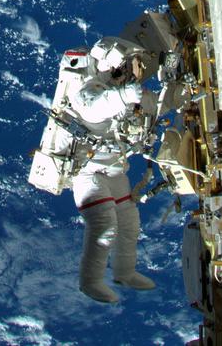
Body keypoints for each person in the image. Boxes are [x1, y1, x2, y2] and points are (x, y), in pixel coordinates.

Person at [66, 37, 159, 303]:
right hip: (88, 172)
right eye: (132, 64)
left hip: (114, 169)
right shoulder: (87, 89)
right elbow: (94, 108)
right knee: (105, 225)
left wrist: (178, 95)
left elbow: (154, 103)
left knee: (129, 222)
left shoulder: (123, 91)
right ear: (114, 64)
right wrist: (124, 96)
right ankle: (91, 282)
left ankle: (124, 273)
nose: (136, 69)